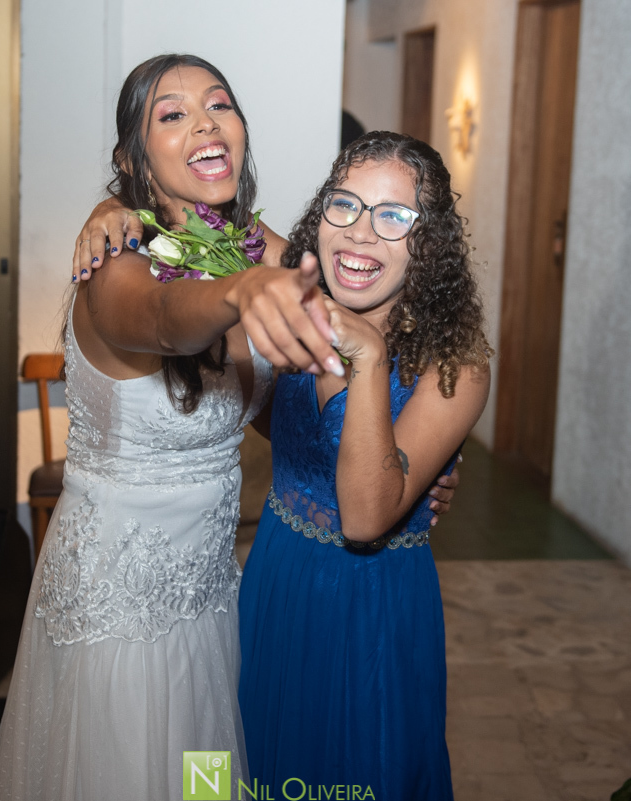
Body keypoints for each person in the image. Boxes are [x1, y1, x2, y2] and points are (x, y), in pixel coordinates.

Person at [0, 54, 344, 801]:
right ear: (131, 158)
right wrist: (241, 290)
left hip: (207, 594)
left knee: (201, 776)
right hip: (119, 609)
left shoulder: (251, 246)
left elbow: (342, 329)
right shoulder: (115, 261)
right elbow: (164, 318)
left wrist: (417, 455)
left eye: (219, 105)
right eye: (172, 114)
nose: (206, 123)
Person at [236, 131, 493, 800]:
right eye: (344, 204)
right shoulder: (300, 297)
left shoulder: (455, 367)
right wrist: (110, 212)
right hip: (275, 576)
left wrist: (369, 356)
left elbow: (366, 518)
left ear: (429, 244)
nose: (359, 232)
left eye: (394, 216)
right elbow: (195, 213)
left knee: (359, 768)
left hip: (370, 611)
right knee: (249, 760)